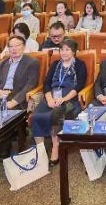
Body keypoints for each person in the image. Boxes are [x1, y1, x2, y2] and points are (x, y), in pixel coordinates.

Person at [31, 39, 88, 167]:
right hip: (52, 96)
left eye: (67, 50)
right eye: (62, 49)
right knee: (36, 116)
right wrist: (49, 99)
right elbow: (46, 84)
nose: (64, 52)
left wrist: (64, 99)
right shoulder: (55, 64)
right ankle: (40, 149)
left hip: (70, 98)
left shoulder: (79, 65)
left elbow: (79, 85)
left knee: (55, 115)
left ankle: (55, 145)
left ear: (74, 51)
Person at [0, 36, 39, 111]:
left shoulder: (32, 62)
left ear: (24, 47)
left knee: (2, 116)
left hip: (17, 99)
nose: (13, 49)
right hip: (0, 97)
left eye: (17, 46)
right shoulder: (2, 63)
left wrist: (14, 101)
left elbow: (31, 85)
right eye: (11, 46)